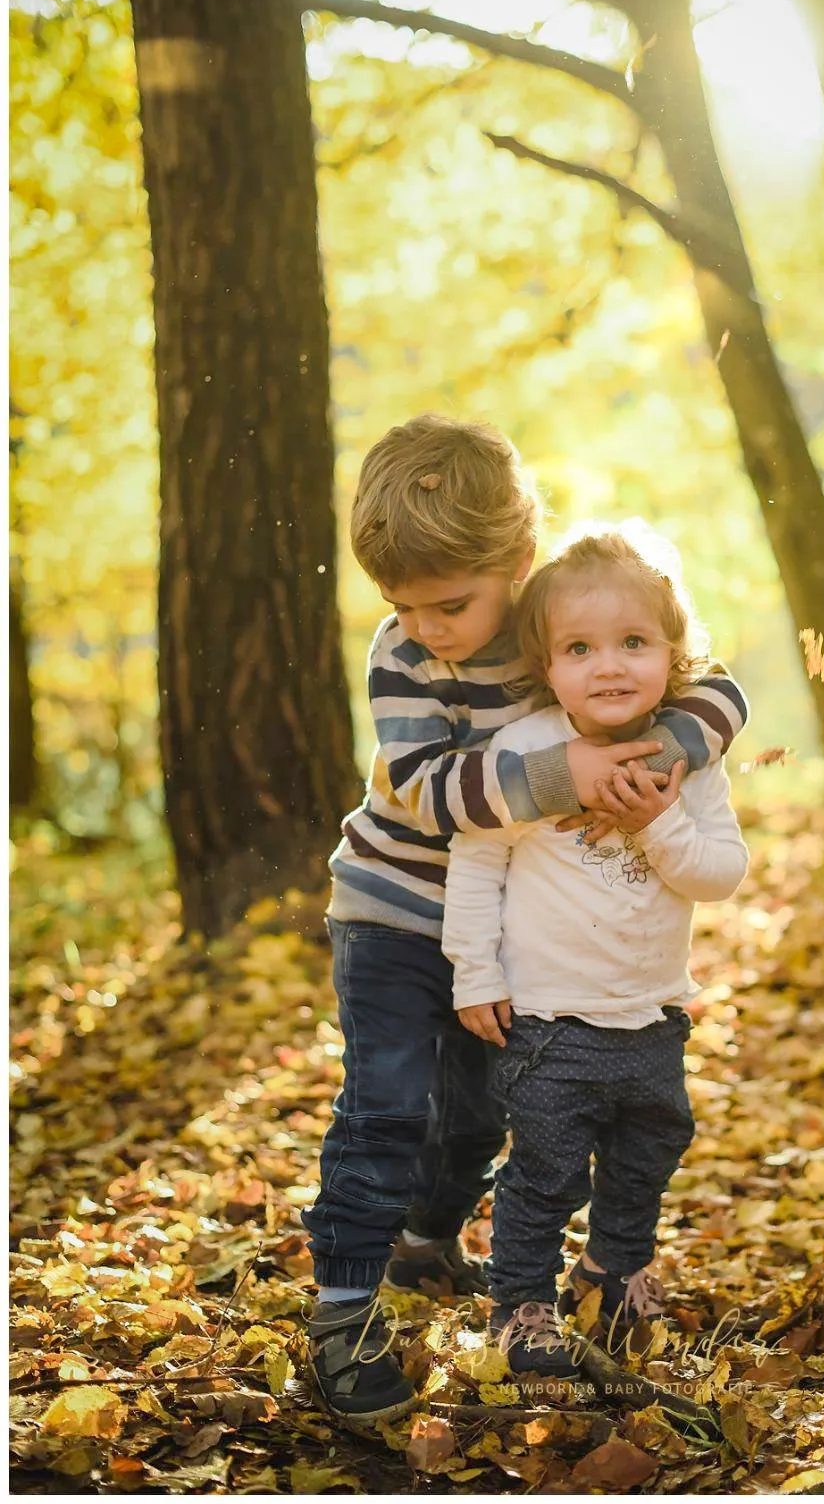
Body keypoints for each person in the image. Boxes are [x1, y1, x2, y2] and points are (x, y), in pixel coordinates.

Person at [301, 415, 747, 1426]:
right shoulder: (405, 657)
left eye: (448, 603)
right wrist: (571, 772)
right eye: (400, 605)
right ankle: (341, 1310)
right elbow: (427, 789)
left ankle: (425, 1238)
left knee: (479, 1110)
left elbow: (715, 690)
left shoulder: (571, 613)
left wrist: (660, 751)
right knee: (387, 1104)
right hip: (389, 908)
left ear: (515, 560)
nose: (424, 623)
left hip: (505, 932)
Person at [443, 525, 749, 1377]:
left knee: (652, 1149)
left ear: (673, 653)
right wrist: (476, 971)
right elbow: (475, 862)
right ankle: (522, 1307)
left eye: (634, 643)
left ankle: (614, 1272)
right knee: (543, 1171)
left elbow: (720, 875)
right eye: (580, 648)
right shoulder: (524, 756)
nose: (609, 665)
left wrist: (658, 823)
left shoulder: (691, 765)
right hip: (546, 1018)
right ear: (545, 665)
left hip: (652, 1013)